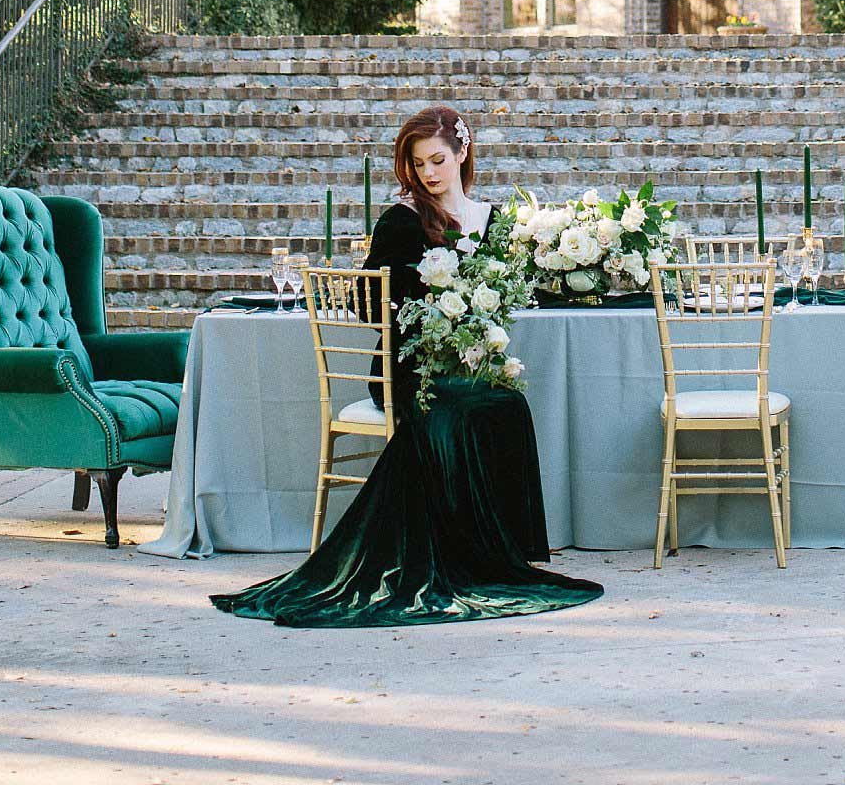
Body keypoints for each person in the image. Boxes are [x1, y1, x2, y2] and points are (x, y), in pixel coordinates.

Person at [212, 106, 602, 628]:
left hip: (466, 359)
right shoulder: (401, 220)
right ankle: (454, 554)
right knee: (457, 410)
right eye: (418, 165)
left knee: (508, 403)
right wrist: (422, 293)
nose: (429, 174)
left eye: (438, 160)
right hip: (408, 367)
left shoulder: (493, 221)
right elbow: (367, 307)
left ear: (463, 153)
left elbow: (505, 296)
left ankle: (499, 553)